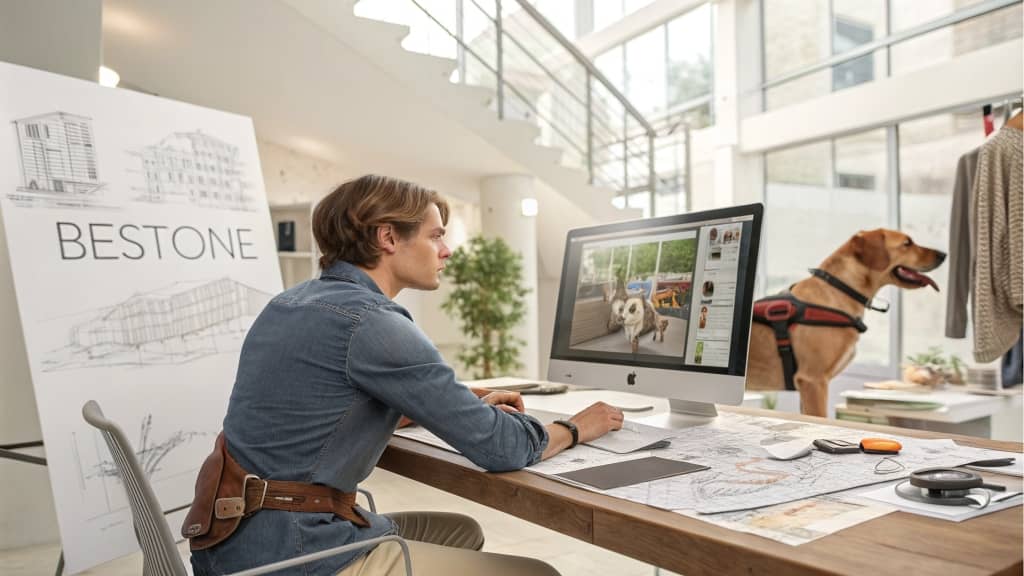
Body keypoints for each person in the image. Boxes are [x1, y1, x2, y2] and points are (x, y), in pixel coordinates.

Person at [188, 175, 624, 576]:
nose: (447, 250)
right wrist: (576, 426)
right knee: (537, 574)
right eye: (435, 236)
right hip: (295, 551)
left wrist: (456, 406)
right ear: (388, 237)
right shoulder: (371, 321)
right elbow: (502, 447)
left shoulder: (290, 303)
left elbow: (320, 410)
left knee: (461, 532)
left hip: (233, 540)